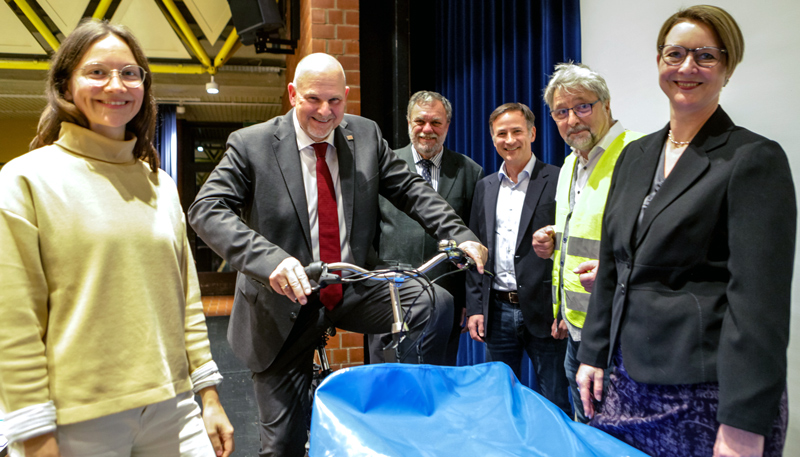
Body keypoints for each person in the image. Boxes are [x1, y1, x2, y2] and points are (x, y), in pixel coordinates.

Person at [187, 53, 487, 457]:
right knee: (282, 446)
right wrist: (270, 260)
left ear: (347, 97)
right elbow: (206, 209)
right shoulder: (253, 144)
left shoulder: (363, 135)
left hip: (347, 287)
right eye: (313, 99)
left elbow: (412, 191)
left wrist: (459, 233)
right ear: (293, 94)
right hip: (281, 304)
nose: (325, 112)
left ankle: (406, 413)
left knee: (432, 302)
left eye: (335, 101)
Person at [0, 20, 234, 457]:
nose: (116, 85)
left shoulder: (159, 184)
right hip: (75, 419)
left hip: (172, 407)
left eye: (129, 73)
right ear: (65, 85)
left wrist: (208, 394)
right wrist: (32, 433)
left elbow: (184, 299)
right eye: (97, 72)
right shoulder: (25, 179)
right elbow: (13, 320)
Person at [576, 5, 794, 457]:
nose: (687, 67)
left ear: (728, 67)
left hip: (704, 392)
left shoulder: (753, 158)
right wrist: (592, 352)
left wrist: (743, 421)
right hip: (623, 383)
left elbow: (759, 302)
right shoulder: (634, 155)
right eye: (674, 54)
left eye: (705, 56)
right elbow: (616, 264)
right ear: (659, 62)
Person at [532, 63, 643, 422]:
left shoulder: (639, 154)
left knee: (615, 437)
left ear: (606, 105)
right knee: (587, 430)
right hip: (577, 329)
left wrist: (616, 272)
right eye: (561, 112)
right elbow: (587, 229)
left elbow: (657, 238)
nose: (572, 119)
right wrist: (552, 239)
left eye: (583, 106)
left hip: (620, 333)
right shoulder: (568, 165)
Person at [466, 103, 570, 416]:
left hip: (545, 311)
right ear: (492, 138)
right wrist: (475, 308)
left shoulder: (558, 179)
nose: (509, 139)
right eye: (501, 133)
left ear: (533, 133)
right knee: (498, 400)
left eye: (517, 131)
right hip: (497, 311)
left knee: (555, 400)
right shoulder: (484, 187)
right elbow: (475, 248)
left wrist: (565, 309)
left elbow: (570, 242)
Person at [368, 90, 484, 365]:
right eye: (420, 121)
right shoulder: (383, 167)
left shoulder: (470, 172)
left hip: (445, 300)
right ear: (408, 122)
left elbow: (474, 239)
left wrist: (470, 300)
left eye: (436, 123)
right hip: (390, 295)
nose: (427, 130)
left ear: (447, 125)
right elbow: (368, 234)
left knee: (437, 380)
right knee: (388, 379)